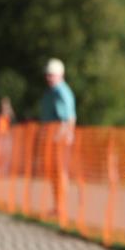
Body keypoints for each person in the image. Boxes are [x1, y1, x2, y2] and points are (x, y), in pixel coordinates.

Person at [39, 58, 76, 221]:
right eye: (47, 75)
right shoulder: (51, 92)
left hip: (59, 141)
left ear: (60, 75)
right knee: (55, 174)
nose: (48, 78)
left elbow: (68, 120)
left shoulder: (62, 92)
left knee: (60, 174)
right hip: (52, 140)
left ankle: (62, 207)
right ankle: (57, 206)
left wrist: (60, 138)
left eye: (51, 75)